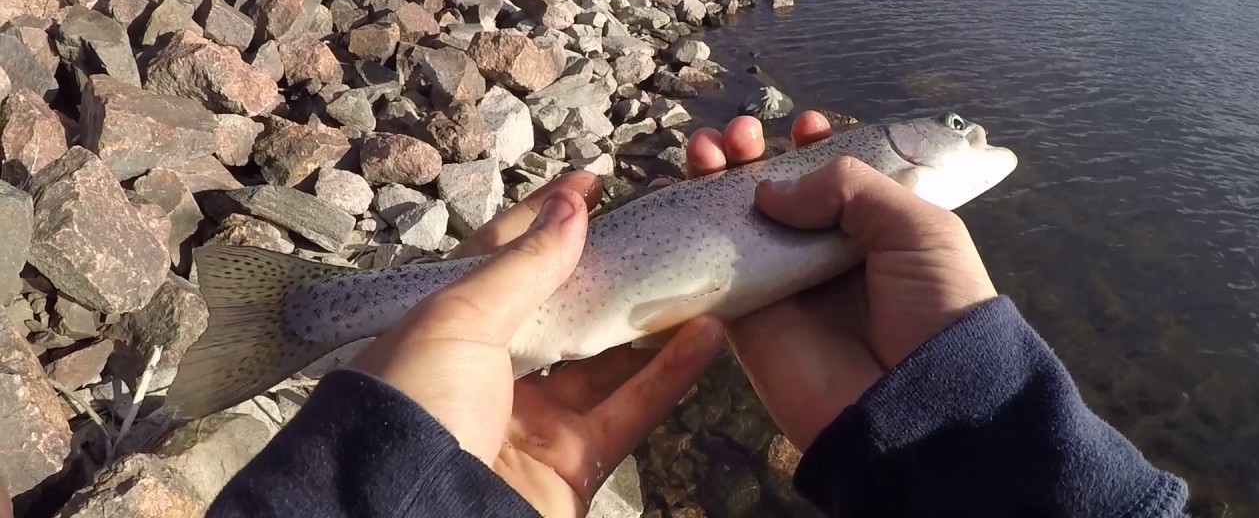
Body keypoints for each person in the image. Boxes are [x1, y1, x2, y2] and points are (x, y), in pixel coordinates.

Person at [208, 112, 1189, 517]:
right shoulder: (869, 184)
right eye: (964, 131)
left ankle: (307, 307)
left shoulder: (882, 211)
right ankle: (300, 307)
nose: (977, 141)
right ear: (906, 144)